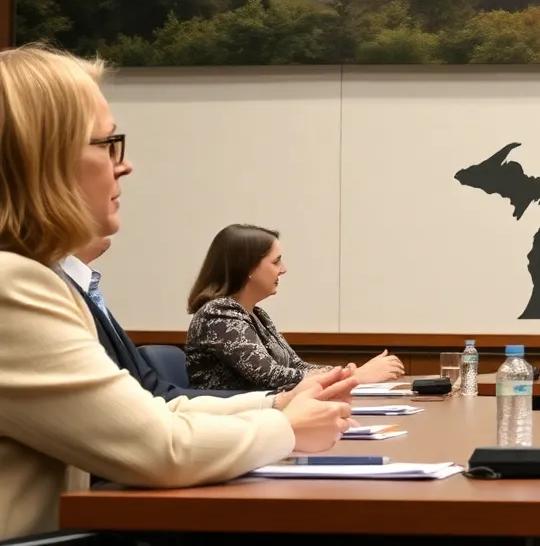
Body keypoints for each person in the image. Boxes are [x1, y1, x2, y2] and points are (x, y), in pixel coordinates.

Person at [0, 44, 354, 539]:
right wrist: (288, 427)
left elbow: (151, 412)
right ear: (45, 160)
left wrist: (279, 406)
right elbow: (158, 448)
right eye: (107, 144)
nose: (124, 166)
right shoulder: (11, 284)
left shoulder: (28, 275)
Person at [185, 223, 404, 391]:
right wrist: (354, 377)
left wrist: (346, 372)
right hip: (235, 426)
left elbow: (297, 366)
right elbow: (270, 376)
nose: (283, 269)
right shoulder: (219, 315)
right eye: (275, 262)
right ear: (247, 269)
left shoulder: (258, 315)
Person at [62, 235, 247, 400]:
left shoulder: (86, 288)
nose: (278, 270)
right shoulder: (57, 291)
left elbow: (152, 390)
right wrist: (268, 402)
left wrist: (267, 402)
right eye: (274, 261)